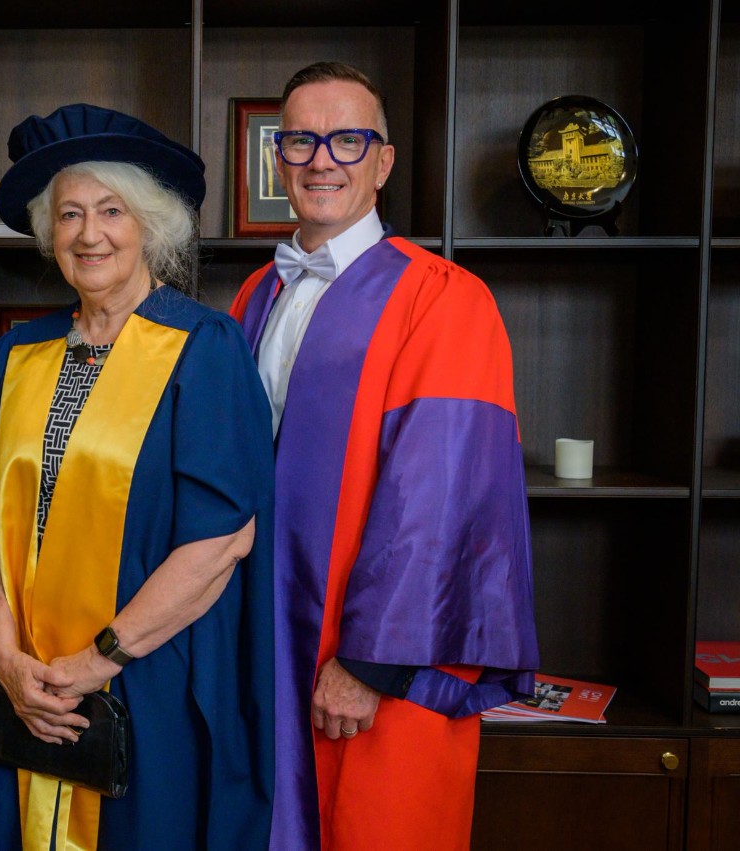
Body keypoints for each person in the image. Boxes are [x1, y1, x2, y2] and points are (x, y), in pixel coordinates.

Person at [229, 62, 540, 850]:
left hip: (374, 663)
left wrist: (372, 662)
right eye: (300, 141)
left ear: (383, 161)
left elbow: (439, 500)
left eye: (348, 140)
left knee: (374, 824)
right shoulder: (254, 297)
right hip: (267, 647)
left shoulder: (443, 297)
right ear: (278, 158)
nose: (321, 160)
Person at [0, 103, 274, 850]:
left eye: (112, 211)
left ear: (149, 225)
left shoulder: (203, 347)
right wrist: (5, 658)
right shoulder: (17, 355)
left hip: (150, 677)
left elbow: (222, 543)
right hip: (28, 684)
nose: (89, 233)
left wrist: (94, 662)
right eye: (69, 214)